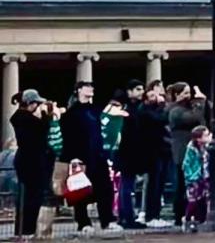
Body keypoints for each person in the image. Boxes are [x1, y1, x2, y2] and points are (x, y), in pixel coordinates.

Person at [59, 81, 122, 234]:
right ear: (78, 91)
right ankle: (83, 223)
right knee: (80, 190)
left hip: (98, 155)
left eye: (92, 87)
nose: (91, 89)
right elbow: (68, 137)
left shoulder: (96, 110)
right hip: (80, 157)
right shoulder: (71, 113)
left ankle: (107, 221)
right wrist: (71, 157)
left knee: (105, 189)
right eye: (87, 87)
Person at [9, 89, 53, 236]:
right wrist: (45, 115)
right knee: (32, 197)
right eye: (37, 103)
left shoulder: (20, 118)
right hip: (31, 161)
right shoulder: (26, 119)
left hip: (26, 160)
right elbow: (43, 130)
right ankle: (28, 229)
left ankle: (23, 229)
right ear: (30, 103)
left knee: (27, 196)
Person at [168, 82, 205, 227]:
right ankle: (179, 214)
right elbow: (192, 118)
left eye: (189, 92)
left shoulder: (189, 107)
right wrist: (200, 102)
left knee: (195, 184)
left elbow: (202, 119)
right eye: (185, 93)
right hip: (181, 152)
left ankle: (194, 213)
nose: (188, 96)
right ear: (177, 95)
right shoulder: (174, 110)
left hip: (193, 151)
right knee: (181, 185)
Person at [140, 83, 173, 228]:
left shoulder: (152, 109)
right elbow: (160, 119)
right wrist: (162, 105)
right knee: (153, 184)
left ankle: (155, 214)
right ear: (146, 99)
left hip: (161, 150)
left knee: (159, 184)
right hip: (151, 151)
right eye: (152, 96)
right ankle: (150, 215)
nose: (156, 97)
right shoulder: (145, 111)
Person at [116, 79, 146, 229]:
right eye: (138, 89)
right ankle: (127, 217)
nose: (142, 92)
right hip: (128, 152)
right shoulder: (130, 109)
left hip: (127, 152)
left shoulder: (131, 108)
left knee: (125, 185)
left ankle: (124, 216)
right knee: (127, 186)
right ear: (130, 91)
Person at [182, 125, 211, 230]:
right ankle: (187, 218)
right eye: (206, 135)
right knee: (193, 200)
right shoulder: (191, 149)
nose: (209, 137)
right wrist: (191, 177)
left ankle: (201, 220)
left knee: (204, 199)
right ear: (198, 138)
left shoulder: (208, 147)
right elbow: (186, 165)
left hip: (205, 176)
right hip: (194, 178)